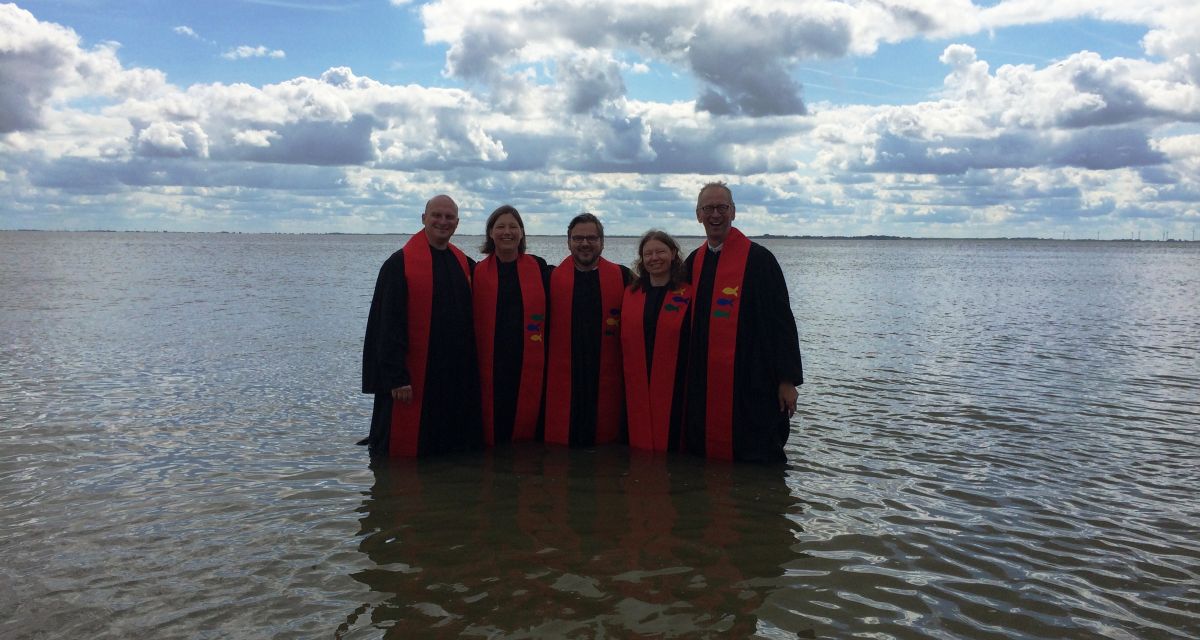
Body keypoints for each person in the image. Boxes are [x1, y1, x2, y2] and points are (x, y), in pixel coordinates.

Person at [683, 182, 803, 462]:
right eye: (708, 208)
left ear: (733, 212)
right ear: (698, 215)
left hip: (753, 378)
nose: (715, 215)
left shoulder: (760, 260)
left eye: (722, 208)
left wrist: (787, 380)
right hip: (706, 379)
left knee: (757, 454)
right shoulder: (693, 262)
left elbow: (782, 322)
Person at [361, 194, 483, 457]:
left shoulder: (463, 263)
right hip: (409, 380)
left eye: (449, 217)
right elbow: (386, 325)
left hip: (448, 377)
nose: (442, 221)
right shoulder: (398, 265)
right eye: (436, 215)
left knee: (439, 451)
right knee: (398, 453)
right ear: (423, 218)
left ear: (457, 223)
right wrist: (396, 378)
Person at [544, 213, 631, 446]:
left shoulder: (623, 277)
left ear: (602, 242)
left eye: (591, 238)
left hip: (607, 377)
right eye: (578, 238)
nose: (584, 243)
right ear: (568, 242)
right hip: (563, 379)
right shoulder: (549, 278)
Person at [473, 205, 550, 445]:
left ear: (522, 233)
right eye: (501, 227)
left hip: (529, 360)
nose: (507, 232)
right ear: (490, 234)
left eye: (513, 226)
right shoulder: (475, 272)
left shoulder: (540, 268)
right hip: (490, 363)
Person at [620, 230, 691, 452]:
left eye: (660, 251)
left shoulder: (688, 294)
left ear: (673, 253)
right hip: (637, 377)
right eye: (648, 253)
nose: (654, 258)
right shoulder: (631, 293)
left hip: (676, 382)